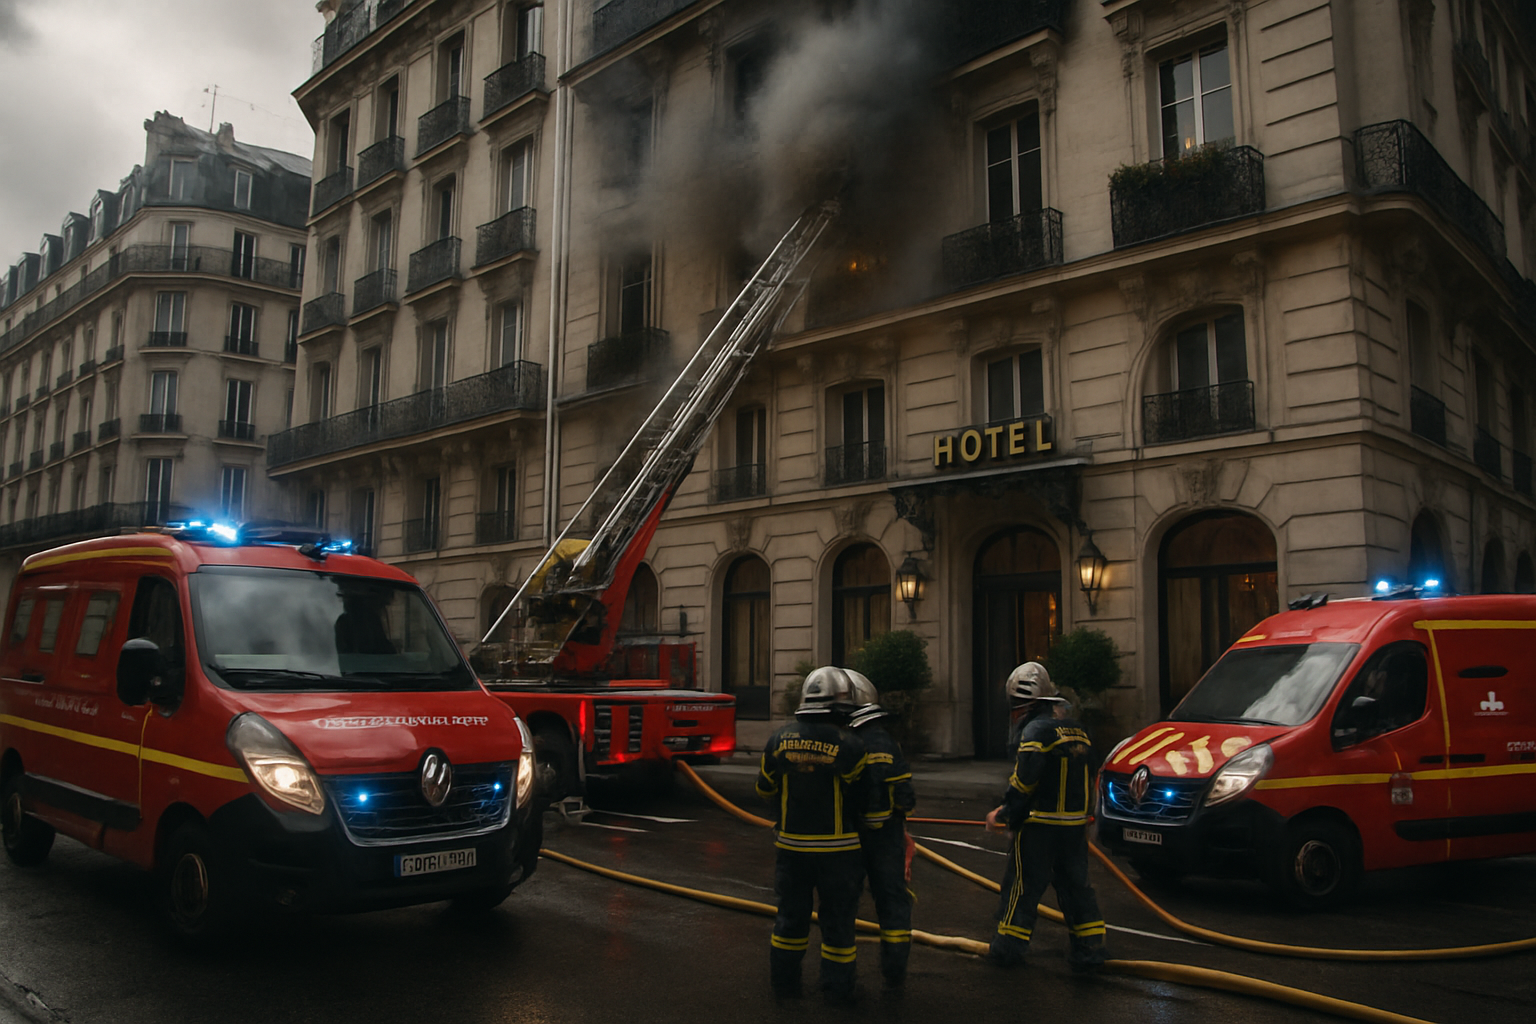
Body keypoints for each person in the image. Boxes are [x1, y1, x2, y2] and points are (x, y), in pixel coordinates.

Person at [756, 666, 870, 1006]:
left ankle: (784, 983)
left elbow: (764, 789)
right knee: (837, 923)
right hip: (838, 851)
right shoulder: (849, 744)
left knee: (790, 918)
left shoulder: (778, 740)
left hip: (791, 849)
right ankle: (837, 988)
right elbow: (862, 795)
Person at [984, 661, 1106, 971]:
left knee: (1022, 887)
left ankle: (1007, 948)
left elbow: (1025, 781)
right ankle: (1089, 949)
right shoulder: (1080, 731)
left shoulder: (1034, 731)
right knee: (1077, 887)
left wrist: (1007, 813)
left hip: (1038, 827)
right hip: (1074, 827)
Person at [846, 669, 917, 990]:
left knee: (844, 903)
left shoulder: (844, 743)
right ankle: (895, 971)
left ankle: (841, 976)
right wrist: (899, 825)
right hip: (888, 837)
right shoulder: (889, 743)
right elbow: (906, 795)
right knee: (892, 904)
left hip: (848, 837)